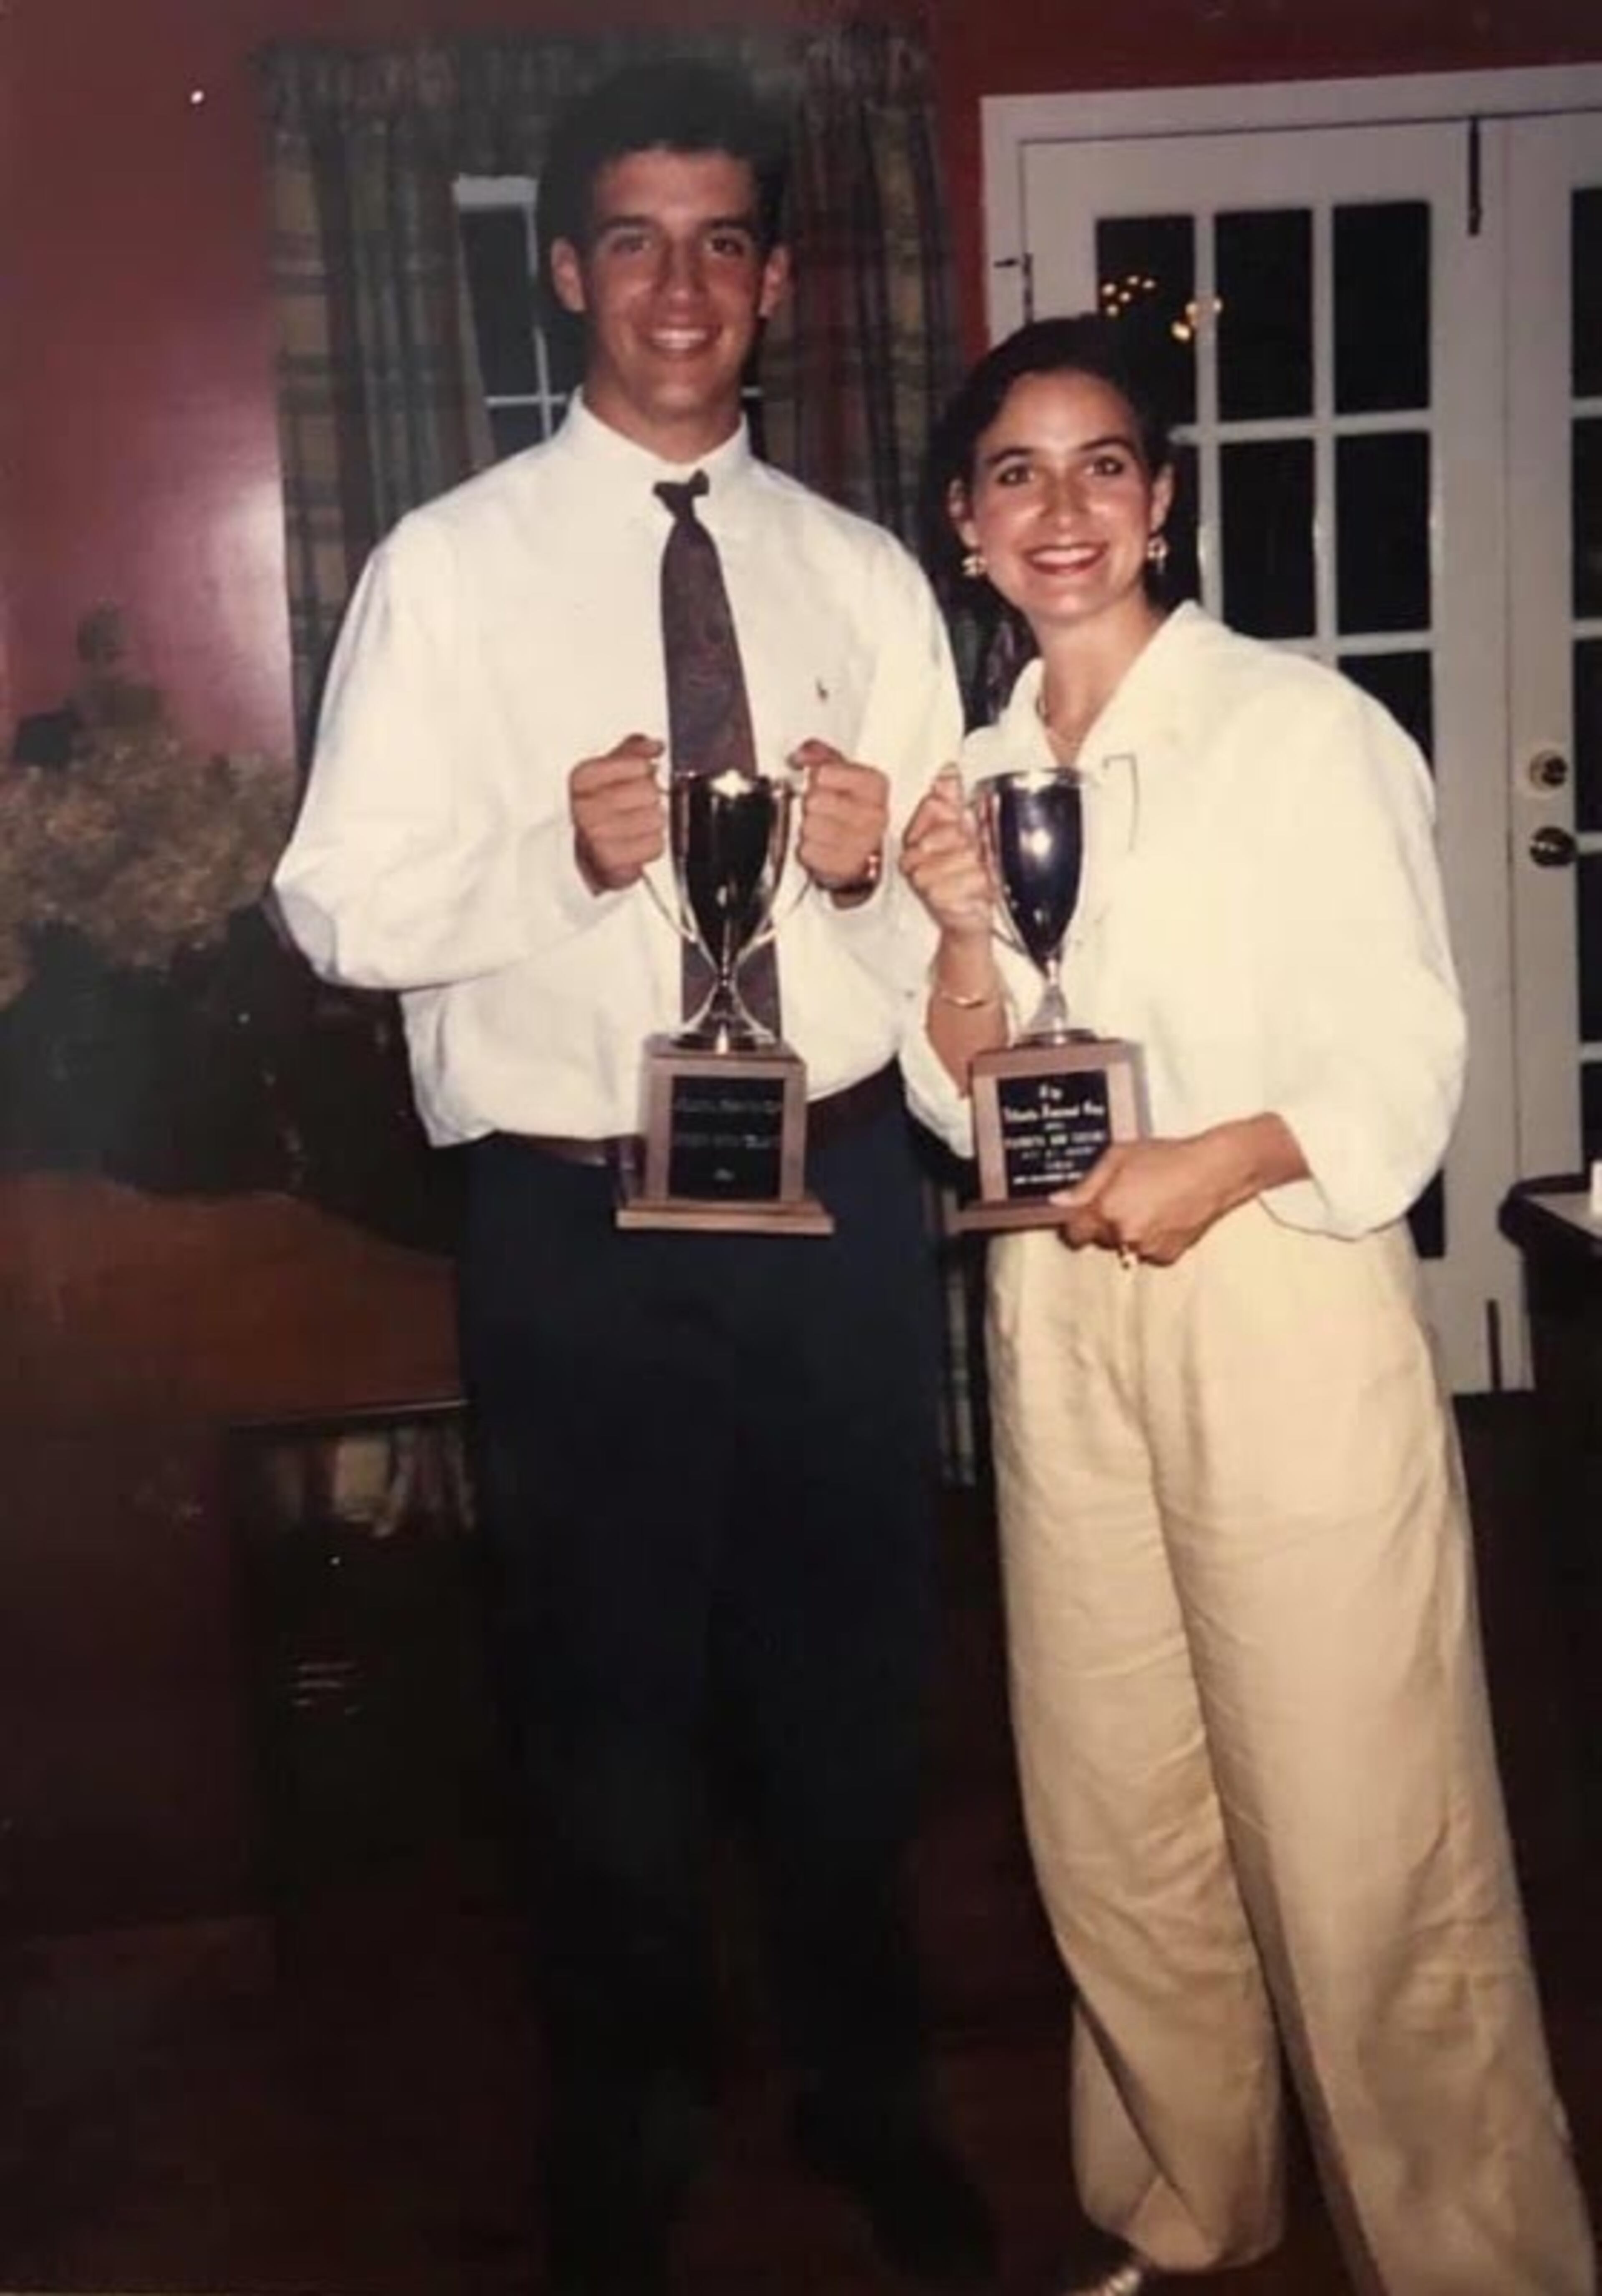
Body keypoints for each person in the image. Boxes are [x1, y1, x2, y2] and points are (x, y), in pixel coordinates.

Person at [272, 58, 994, 2296]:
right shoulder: (451, 571)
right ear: (569, 268)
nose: (680, 288)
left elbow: (958, 934)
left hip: (846, 1203)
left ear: (774, 284)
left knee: (856, 1678)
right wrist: (550, 854)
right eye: (634, 241)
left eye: (723, 244)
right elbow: (332, 908)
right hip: (578, 1222)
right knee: (602, 1699)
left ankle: (872, 2095)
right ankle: (635, 2113)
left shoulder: (865, 572)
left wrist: (889, 884)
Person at [899, 315, 1597, 2296]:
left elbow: (1403, 1046)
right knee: (1113, 1805)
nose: (1062, 507)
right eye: (1016, 473)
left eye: (1103, 464)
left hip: (1273, 1298)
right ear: (964, 525)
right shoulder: (970, 773)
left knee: (1364, 1830)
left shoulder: (1306, 733)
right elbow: (971, 1091)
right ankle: (1186, 2206)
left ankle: (1475, 2261)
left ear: (1165, 500)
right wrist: (953, 933)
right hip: (1062, 1320)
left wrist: (1221, 1161)